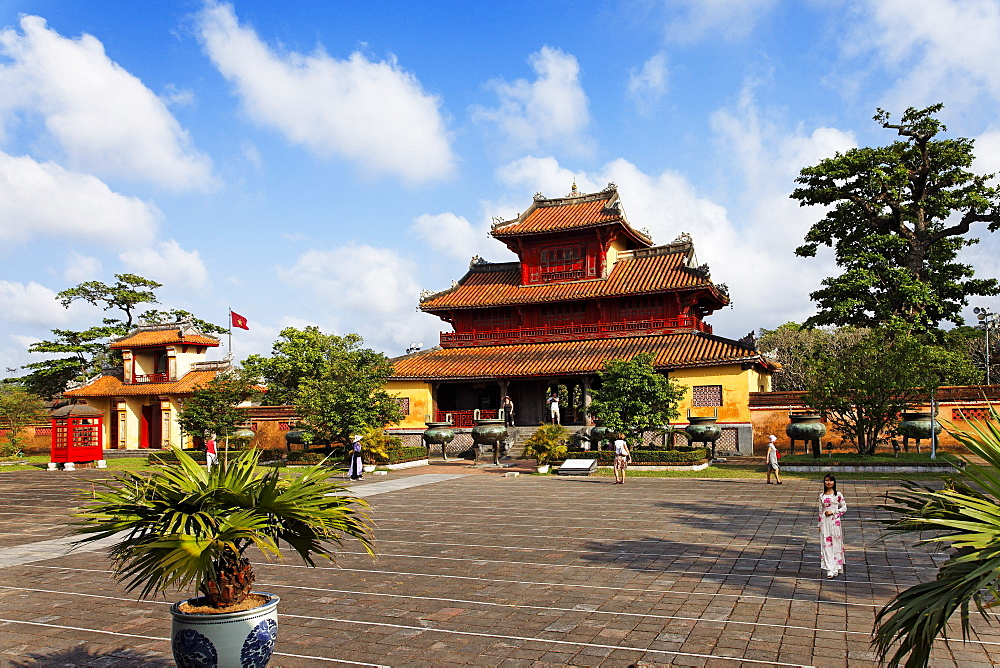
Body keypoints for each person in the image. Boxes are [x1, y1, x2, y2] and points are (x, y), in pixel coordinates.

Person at [818, 473, 847, 578]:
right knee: (826, 545)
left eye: (831, 480)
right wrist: (819, 525)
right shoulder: (821, 496)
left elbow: (844, 508)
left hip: (834, 522)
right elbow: (820, 511)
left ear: (834, 482)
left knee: (836, 544)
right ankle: (829, 569)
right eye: (826, 480)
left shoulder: (838, 495)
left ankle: (836, 567)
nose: (828, 482)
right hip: (824, 523)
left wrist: (834, 512)